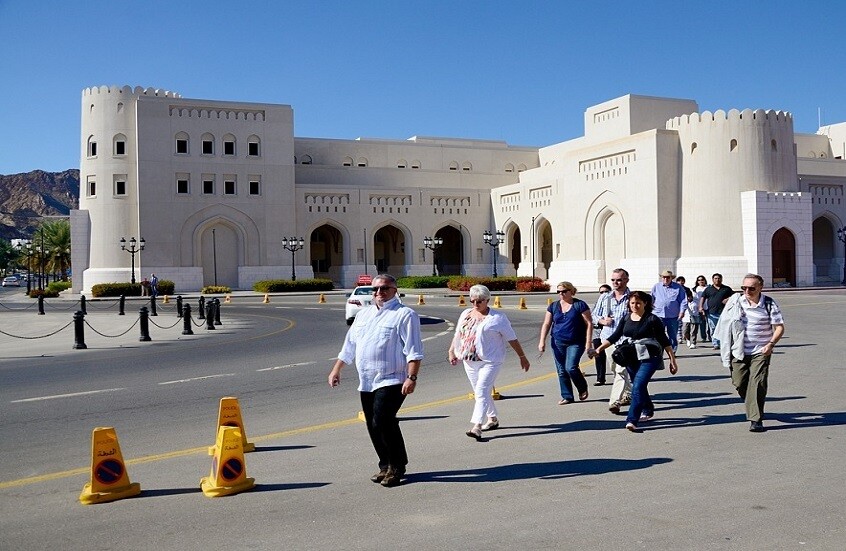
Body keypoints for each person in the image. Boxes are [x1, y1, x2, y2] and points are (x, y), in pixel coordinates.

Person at [328, 274, 424, 487]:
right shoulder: (363, 315)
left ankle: (397, 466)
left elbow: (414, 351)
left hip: (393, 379)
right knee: (373, 424)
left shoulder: (405, 315)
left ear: (394, 290)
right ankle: (385, 465)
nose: (379, 293)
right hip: (367, 380)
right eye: (375, 289)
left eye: (385, 289)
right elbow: (349, 346)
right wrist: (337, 370)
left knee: (382, 420)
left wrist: (412, 377)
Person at [589, 291, 679, 432]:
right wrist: (599, 349)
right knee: (639, 386)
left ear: (645, 304)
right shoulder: (626, 318)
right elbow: (614, 336)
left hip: (650, 356)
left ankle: (632, 420)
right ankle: (648, 408)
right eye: (632, 303)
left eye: (638, 303)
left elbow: (664, 340)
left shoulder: (652, 319)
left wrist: (672, 360)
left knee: (638, 385)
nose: (635, 306)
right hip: (631, 356)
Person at [449, 285, 530, 440]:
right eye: (472, 300)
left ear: (487, 300)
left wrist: (522, 357)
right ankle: (492, 419)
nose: (475, 304)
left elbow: (512, 338)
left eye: (479, 301)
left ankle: (476, 426)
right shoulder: (466, 313)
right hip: (469, 360)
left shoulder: (498, 318)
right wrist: (451, 351)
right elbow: (458, 334)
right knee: (482, 392)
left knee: (480, 391)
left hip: (490, 361)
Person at [713, 274, 784, 433]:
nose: (747, 291)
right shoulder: (737, 301)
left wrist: (771, 344)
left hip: (761, 350)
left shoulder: (768, 303)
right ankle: (753, 404)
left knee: (757, 382)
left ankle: (755, 419)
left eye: (751, 288)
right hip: (738, 351)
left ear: (760, 288)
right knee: (739, 382)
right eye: (743, 288)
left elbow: (779, 327)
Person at [538, 281, 592, 405]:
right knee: (562, 370)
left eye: (564, 291)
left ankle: (582, 387)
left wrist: (588, 343)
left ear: (571, 291)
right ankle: (567, 396)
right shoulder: (554, 306)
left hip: (576, 342)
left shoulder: (580, 305)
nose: (561, 294)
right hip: (558, 342)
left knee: (571, 367)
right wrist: (542, 341)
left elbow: (589, 323)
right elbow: (547, 324)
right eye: (558, 292)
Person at [592, 268, 633, 414]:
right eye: (613, 280)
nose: (616, 283)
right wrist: (602, 321)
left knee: (621, 369)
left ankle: (615, 402)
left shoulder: (632, 298)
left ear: (626, 280)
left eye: (619, 280)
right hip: (608, 338)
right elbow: (594, 315)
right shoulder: (605, 297)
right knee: (614, 368)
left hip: (625, 339)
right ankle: (628, 394)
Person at [651, 269, 687, 353]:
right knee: (658, 335)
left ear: (671, 278)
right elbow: (651, 299)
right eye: (664, 277)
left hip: (673, 316)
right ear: (661, 278)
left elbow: (683, 300)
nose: (666, 279)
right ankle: (659, 352)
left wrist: (682, 312)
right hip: (658, 315)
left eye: (668, 277)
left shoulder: (678, 287)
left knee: (672, 335)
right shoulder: (656, 287)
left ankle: (672, 352)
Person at [699, 273, 733, 349]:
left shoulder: (726, 289)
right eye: (716, 278)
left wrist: (728, 299)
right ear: (713, 280)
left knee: (723, 329)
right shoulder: (708, 289)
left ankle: (723, 343)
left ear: (721, 279)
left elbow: (734, 296)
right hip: (712, 312)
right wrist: (700, 307)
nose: (717, 280)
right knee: (713, 328)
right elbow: (703, 298)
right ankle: (716, 344)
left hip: (724, 312)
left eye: (719, 278)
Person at [590, 284, 612, 385]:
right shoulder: (597, 304)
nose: (603, 294)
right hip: (598, 332)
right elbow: (592, 317)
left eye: (606, 292)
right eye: (601, 292)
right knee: (598, 355)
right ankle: (600, 378)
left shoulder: (613, 304)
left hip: (610, 332)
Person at [693, 275, 709, 342]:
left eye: (702, 279)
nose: (701, 281)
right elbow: (695, 299)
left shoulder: (708, 288)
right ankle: (703, 337)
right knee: (702, 323)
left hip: (708, 306)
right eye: (699, 280)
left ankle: (711, 336)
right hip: (700, 307)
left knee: (710, 323)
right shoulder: (695, 289)